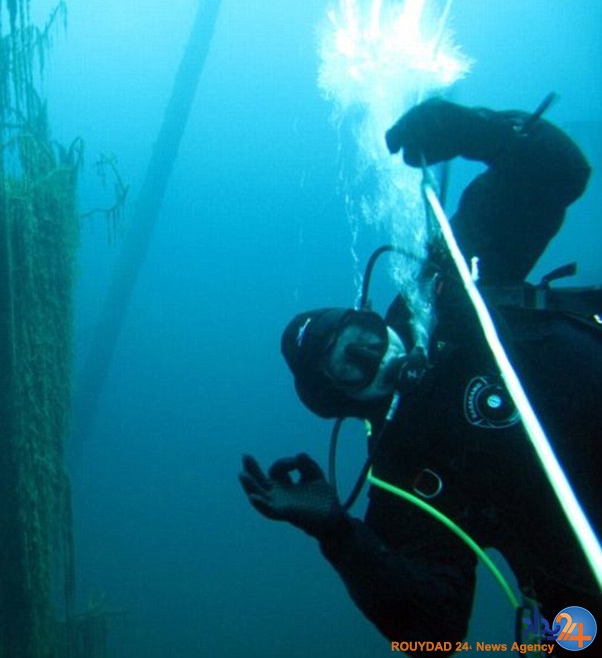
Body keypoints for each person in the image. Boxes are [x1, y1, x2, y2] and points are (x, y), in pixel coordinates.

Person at [239, 98, 601, 655]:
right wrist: (339, 537)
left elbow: (558, 171)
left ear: (370, 312)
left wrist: (475, 129)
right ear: (344, 402)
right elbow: (433, 632)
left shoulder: (443, 288)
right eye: (352, 368)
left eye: (367, 336)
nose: (379, 358)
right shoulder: (404, 470)